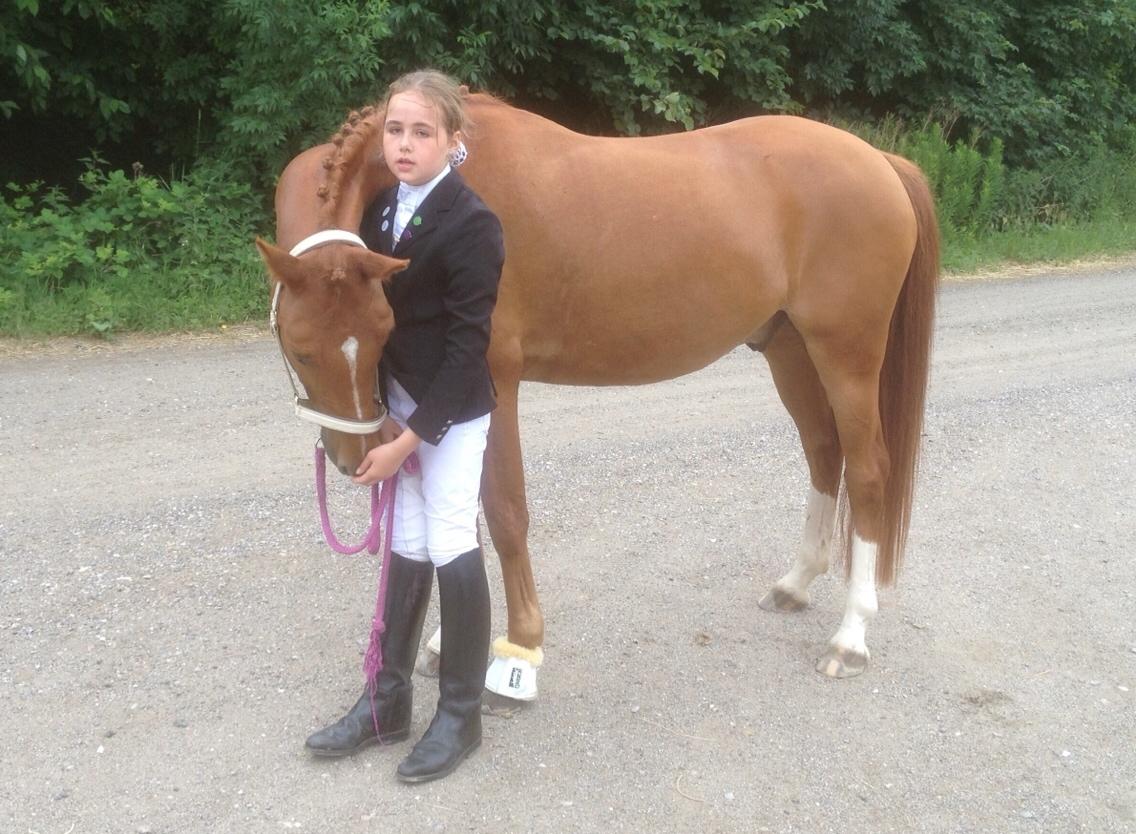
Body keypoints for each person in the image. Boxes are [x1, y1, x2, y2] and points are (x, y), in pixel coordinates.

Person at [303, 69, 503, 784]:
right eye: (395, 130)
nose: (405, 144)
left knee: (450, 537)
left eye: (422, 132)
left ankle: (460, 715)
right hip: (394, 406)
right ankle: (386, 703)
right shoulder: (380, 213)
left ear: (454, 141)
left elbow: (466, 347)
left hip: (448, 412)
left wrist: (409, 440)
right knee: (407, 541)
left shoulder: (475, 224)